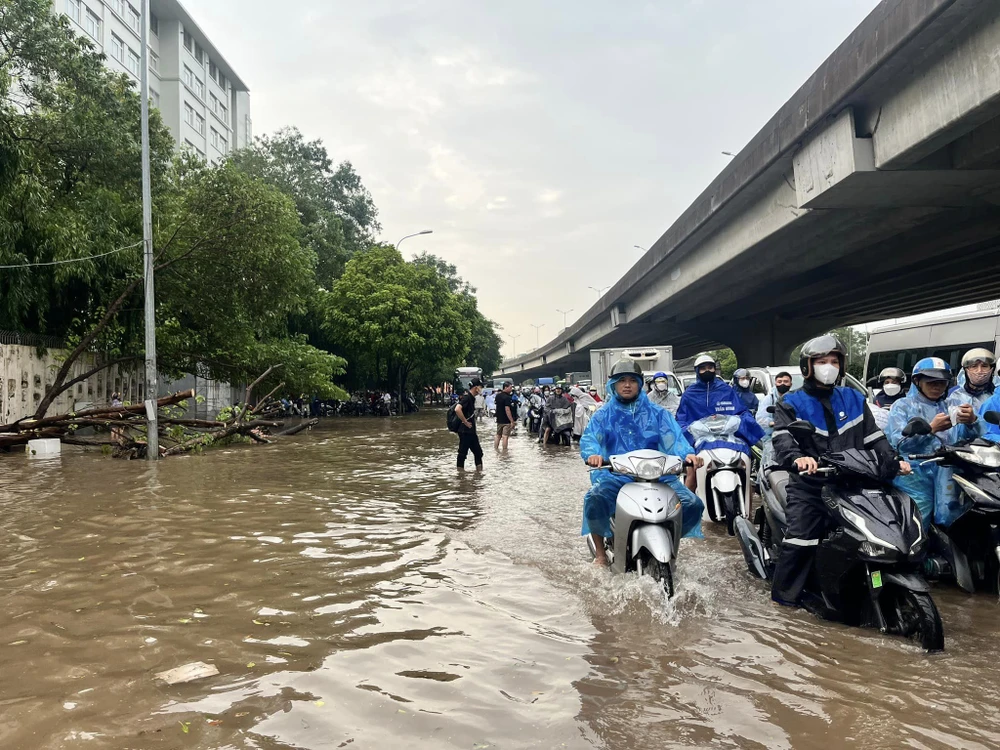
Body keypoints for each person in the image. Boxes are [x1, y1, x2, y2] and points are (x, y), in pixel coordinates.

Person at [771, 335, 911, 606]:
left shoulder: (853, 398)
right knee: (802, 539)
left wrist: (894, 460)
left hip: (854, 482)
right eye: (822, 361)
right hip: (812, 484)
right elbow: (782, 439)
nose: (829, 366)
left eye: (834, 361)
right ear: (807, 367)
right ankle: (784, 601)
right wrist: (799, 459)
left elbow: (874, 437)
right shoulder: (791, 402)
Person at [581, 359, 705, 566]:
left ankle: (669, 539)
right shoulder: (603, 415)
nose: (627, 385)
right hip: (616, 476)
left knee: (692, 504)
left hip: (657, 475)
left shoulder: (658, 413)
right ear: (614, 385)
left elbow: (674, 439)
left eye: (632, 380)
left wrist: (688, 455)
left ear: (640, 384)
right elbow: (590, 438)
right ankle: (601, 554)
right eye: (622, 380)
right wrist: (592, 454)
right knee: (594, 498)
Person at [886, 358, 983, 530]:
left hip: (949, 475)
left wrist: (972, 421)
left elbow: (967, 439)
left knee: (952, 521)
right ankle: (917, 556)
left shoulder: (951, 405)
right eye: (931, 382)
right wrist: (930, 429)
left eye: (942, 382)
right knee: (917, 522)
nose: (937, 386)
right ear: (917, 381)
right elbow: (898, 443)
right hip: (915, 477)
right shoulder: (902, 406)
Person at [676, 354, 764, 491]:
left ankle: (747, 510)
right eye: (703, 368)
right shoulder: (689, 394)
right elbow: (681, 419)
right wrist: (688, 431)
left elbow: (741, 411)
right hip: (699, 441)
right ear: (697, 371)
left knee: (745, 474)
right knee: (692, 473)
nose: (707, 370)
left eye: (710, 367)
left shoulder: (726, 390)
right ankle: (687, 508)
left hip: (730, 440)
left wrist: (746, 421)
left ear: (715, 369)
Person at [454, 379, 485, 471]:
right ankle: (460, 476)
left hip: (470, 431)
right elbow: (457, 409)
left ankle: (479, 474)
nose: (481, 389)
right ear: (476, 388)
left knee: (478, 453)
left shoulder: (471, 398)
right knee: (462, 454)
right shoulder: (467, 397)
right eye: (480, 387)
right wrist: (465, 421)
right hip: (465, 431)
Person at [494, 382, 516, 451]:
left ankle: (496, 449)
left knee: (498, 435)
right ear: (505, 387)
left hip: (499, 419)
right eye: (510, 388)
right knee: (505, 436)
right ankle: (505, 451)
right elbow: (507, 409)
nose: (511, 389)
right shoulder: (507, 397)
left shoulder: (498, 396)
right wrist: (511, 421)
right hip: (506, 420)